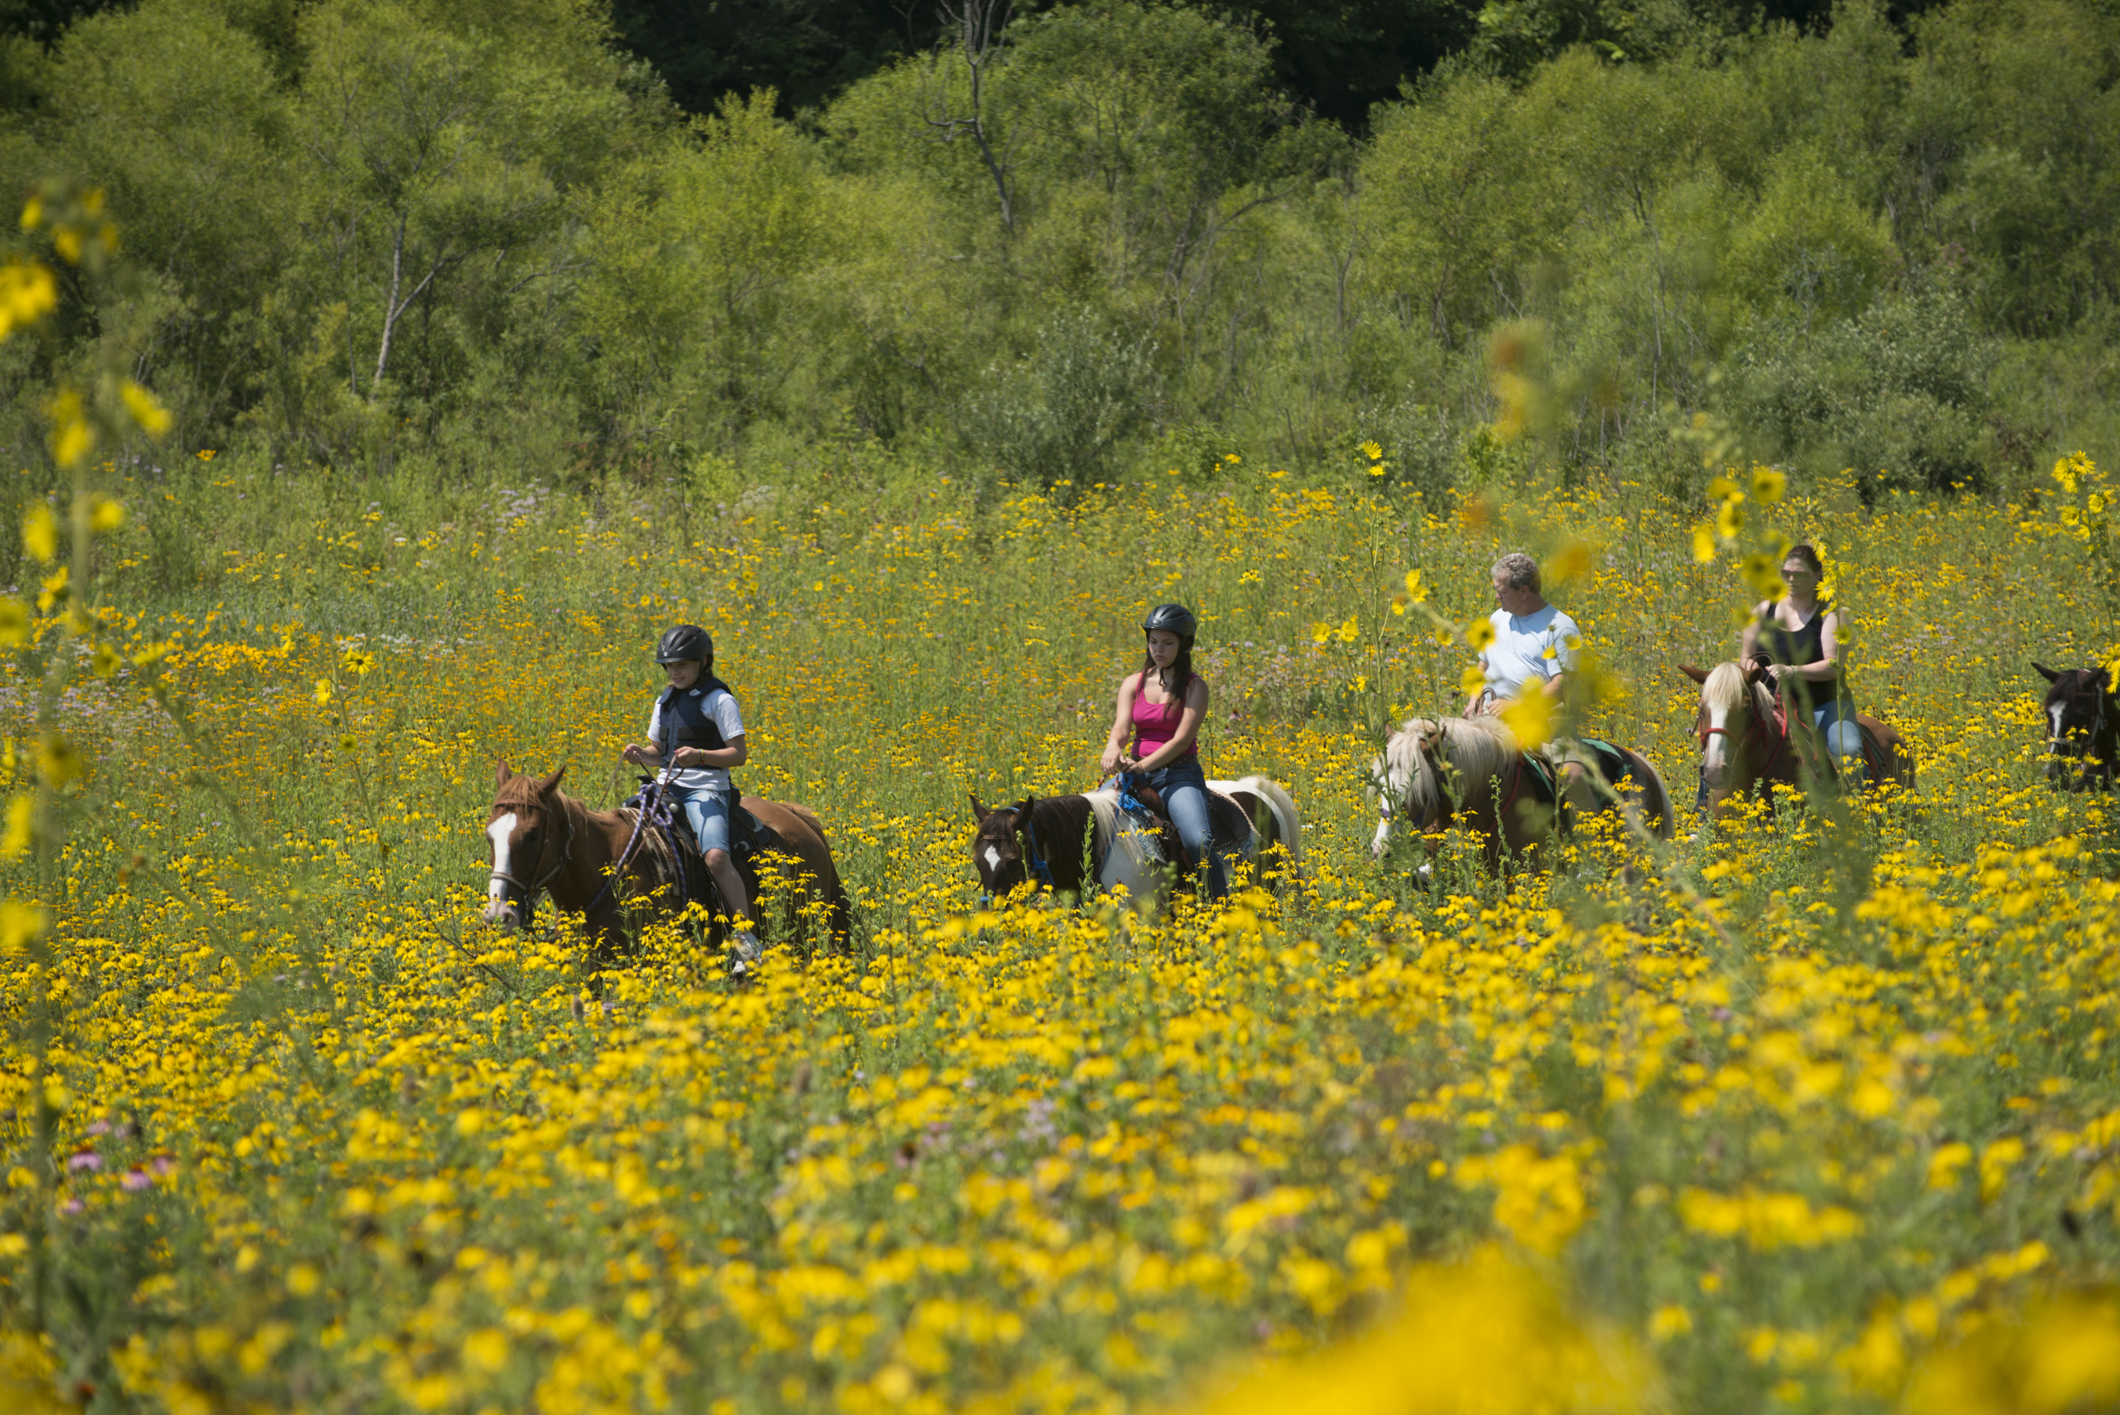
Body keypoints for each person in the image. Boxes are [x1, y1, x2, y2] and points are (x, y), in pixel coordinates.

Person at [622, 625, 760, 973]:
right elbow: (659, 751)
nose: (674, 672)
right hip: (665, 789)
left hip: (706, 790)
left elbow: (738, 754)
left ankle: (747, 944)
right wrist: (642, 754)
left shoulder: (720, 700)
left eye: (682, 664)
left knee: (715, 858)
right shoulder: (664, 700)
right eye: (668, 666)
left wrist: (700, 755)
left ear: (703, 662)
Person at [1099, 603, 1227, 900]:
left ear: (1184, 645)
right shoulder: (1133, 683)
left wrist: (1143, 767)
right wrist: (1112, 747)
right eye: (1153, 641)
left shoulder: (1195, 688)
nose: (1158, 648)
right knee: (1091, 824)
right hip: (1136, 773)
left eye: (1168, 643)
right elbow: (1121, 727)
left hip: (1178, 775)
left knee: (1199, 840)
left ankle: (1221, 904)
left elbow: (1182, 740)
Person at [1464, 552, 1599, 814]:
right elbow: (1484, 665)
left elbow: (1562, 685)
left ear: (1524, 591)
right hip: (1488, 720)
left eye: (1501, 590)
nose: (1497, 596)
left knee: (1572, 775)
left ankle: (1593, 843)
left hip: (1544, 722)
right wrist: (1472, 704)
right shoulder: (1497, 619)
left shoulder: (1560, 628)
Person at [1742, 542, 1862, 778]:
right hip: (1771, 704)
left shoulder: (1832, 614)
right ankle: (1704, 808)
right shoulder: (1763, 611)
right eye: (1786, 573)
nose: (1791, 580)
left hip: (1824, 705)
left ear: (1817, 576)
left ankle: (1860, 808)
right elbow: (1746, 657)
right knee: (1723, 741)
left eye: (1799, 574)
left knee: (1847, 749)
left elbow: (1833, 666)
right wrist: (1752, 673)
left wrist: (1793, 671)